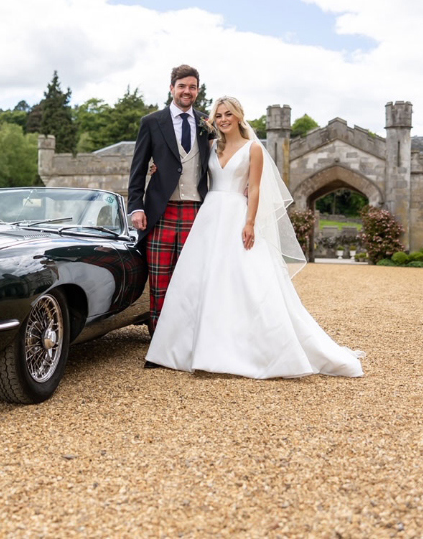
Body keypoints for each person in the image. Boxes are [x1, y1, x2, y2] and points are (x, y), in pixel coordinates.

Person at [145, 96, 364, 379]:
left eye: (228, 114)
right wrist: (156, 167)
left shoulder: (254, 148)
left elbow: (256, 188)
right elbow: (184, 165)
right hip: (210, 216)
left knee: (244, 280)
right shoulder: (210, 146)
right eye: (219, 115)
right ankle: (190, 349)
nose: (223, 119)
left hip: (237, 214)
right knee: (201, 280)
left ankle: (249, 351)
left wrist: (249, 223)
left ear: (239, 116)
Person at [128, 65, 211, 342]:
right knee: (160, 280)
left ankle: (189, 338)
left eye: (193, 87)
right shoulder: (152, 122)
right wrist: (136, 207)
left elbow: (225, 155)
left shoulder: (207, 123)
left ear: (197, 90)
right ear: (171, 87)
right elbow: (138, 168)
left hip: (197, 210)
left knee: (192, 278)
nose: (187, 91)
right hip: (160, 211)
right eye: (182, 86)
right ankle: (160, 340)